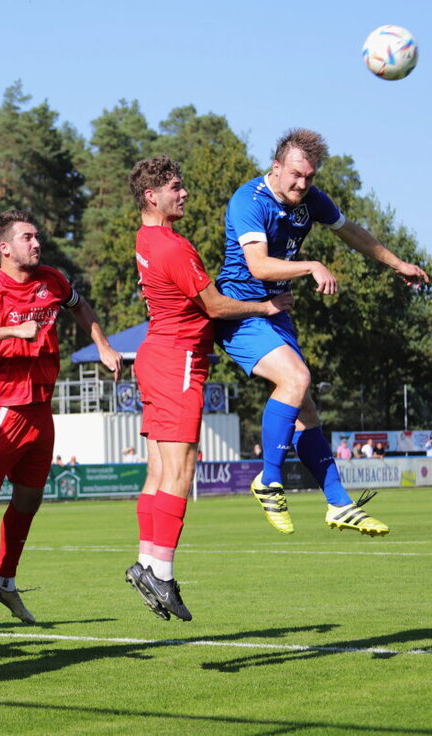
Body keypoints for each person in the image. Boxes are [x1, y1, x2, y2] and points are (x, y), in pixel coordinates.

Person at [216, 129, 426, 536]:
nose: (302, 184)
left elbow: (351, 232)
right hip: (241, 314)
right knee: (297, 379)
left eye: (310, 177)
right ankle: (269, 481)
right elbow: (258, 265)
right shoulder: (248, 200)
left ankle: (339, 504)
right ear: (276, 167)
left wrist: (397, 263)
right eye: (296, 175)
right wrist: (311, 265)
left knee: (304, 406)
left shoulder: (311, 200)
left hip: (277, 314)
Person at [0, 209, 122, 652]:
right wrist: (11, 330)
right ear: (5, 247)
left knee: (29, 501)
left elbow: (80, 307)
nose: (36, 244)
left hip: (41, 411)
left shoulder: (53, 280)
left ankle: (4, 582)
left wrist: (102, 344)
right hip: (1, 411)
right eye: (27, 238)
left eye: (37, 236)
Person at [123, 155, 293, 622]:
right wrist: (266, 306)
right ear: (150, 196)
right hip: (178, 360)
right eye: (175, 187)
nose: (184, 193)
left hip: (156, 355)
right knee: (181, 469)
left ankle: (145, 562)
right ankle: (162, 571)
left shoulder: (145, 238)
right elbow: (214, 305)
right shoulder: (172, 246)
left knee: (158, 471)